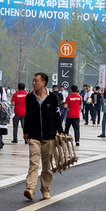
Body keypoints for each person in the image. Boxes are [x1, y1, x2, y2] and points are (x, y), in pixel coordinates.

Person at [22, 72, 64, 201]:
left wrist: (60, 133)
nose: (33, 83)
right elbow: (27, 116)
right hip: (34, 136)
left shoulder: (52, 98)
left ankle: (45, 190)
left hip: (49, 136)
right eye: (33, 81)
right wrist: (25, 131)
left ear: (43, 82)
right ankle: (30, 188)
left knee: (46, 166)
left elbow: (57, 117)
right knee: (33, 163)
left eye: (36, 81)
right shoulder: (29, 98)